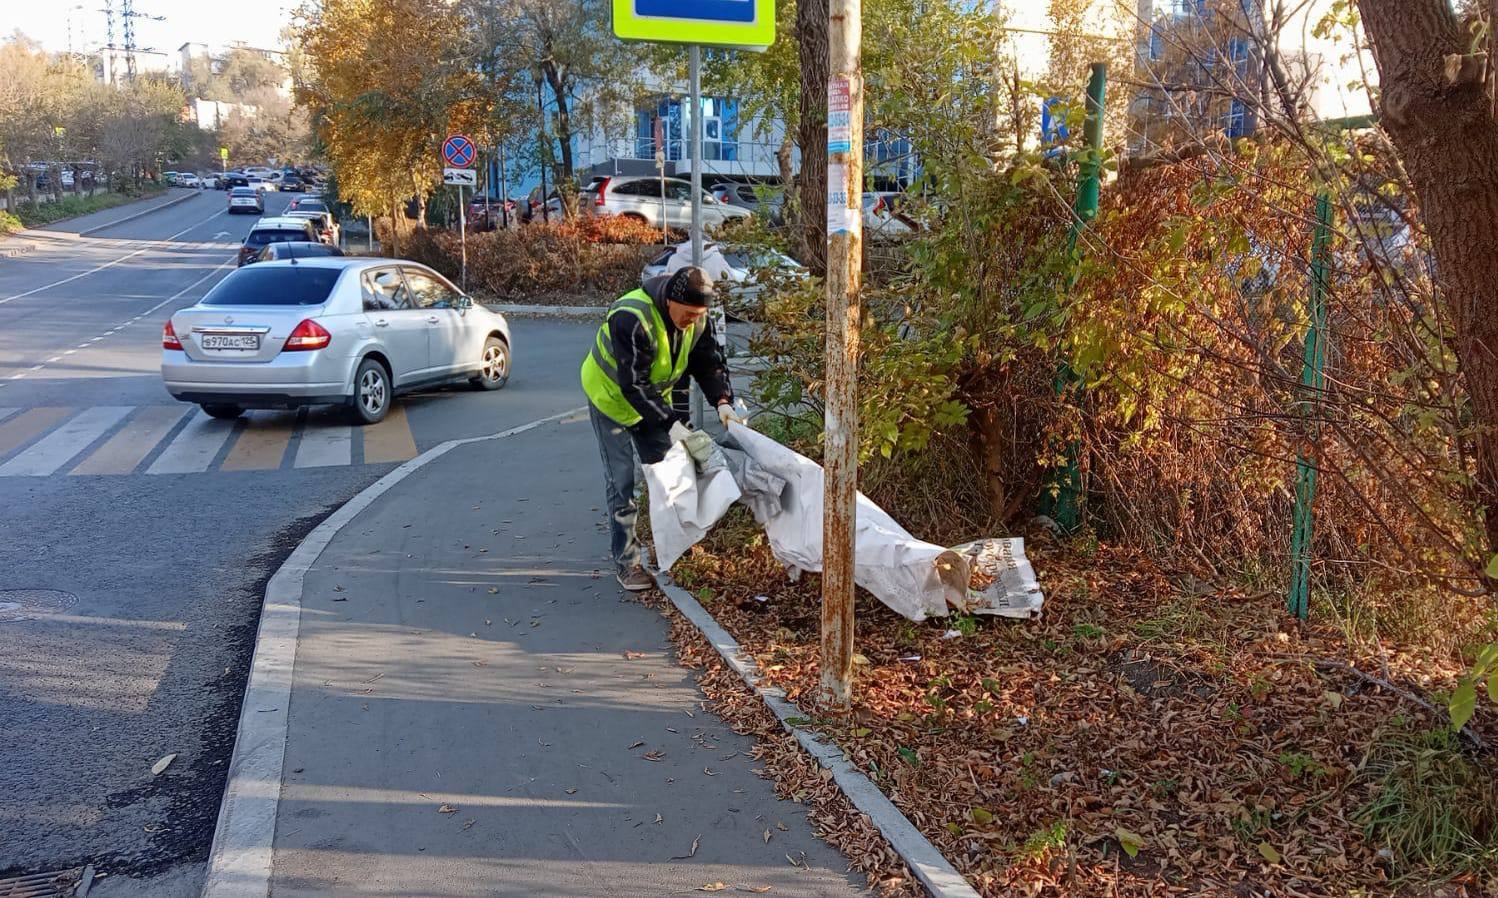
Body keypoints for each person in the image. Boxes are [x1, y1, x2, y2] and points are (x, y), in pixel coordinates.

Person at [581, 266, 743, 591]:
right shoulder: (631, 316)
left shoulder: (698, 321)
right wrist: (672, 425)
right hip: (611, 399)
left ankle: (674, 550)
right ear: (671, 300)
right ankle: (627, 565)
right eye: (688, 314)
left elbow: (709, 363)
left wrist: (723, 401)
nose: (692, 320)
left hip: (652, 404)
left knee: (671, 477)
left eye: (699, 314)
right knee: (622, 482)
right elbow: (633, 384)